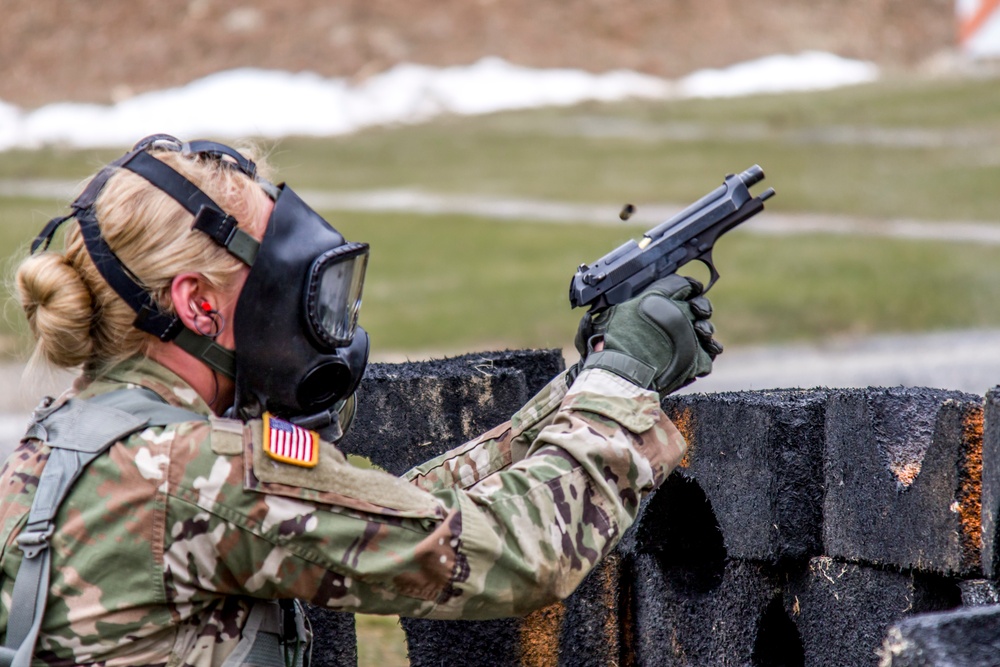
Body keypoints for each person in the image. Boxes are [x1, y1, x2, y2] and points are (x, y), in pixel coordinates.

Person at [0, 135, 721, 666]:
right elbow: (512, 552)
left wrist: (577, 392)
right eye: (273, 272)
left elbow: (377, 516)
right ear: (196, 303)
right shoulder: (206, 476)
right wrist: (622, 381)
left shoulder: (61, 451)